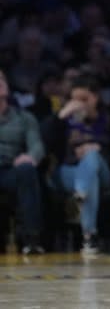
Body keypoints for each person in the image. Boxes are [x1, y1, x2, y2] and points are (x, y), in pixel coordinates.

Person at [48, 75, 110, 255]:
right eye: (75, 100)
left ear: (96, 97)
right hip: (69, 172)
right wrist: (61, 115)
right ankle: (89, 237)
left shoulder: (108, 118)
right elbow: (46, 142)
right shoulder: (64, 120)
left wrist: (97, 146)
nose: (80, 105)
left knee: (91, 158)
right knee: (88, 178)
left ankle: (81, 193)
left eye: (84, 99)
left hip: (103, 173)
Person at [0, 72, 45, 253]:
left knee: (27, 170)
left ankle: (31, 239)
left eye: (2, 79)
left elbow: (37, 146)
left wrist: (31, 157)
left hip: (10, 170)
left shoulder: (24, 118)